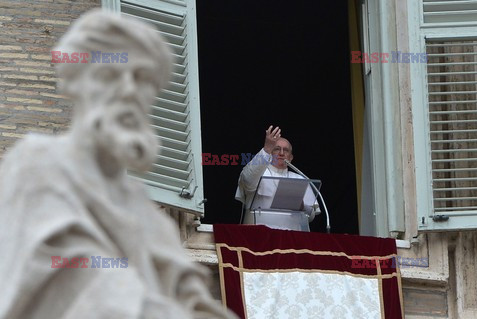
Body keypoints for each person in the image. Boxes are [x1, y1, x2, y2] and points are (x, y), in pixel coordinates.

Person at [0, 10, 236, 319]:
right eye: (110, 73)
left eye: (140, 77)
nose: (128, 90)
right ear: (76, 82)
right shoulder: (37, 163)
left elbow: (193, 300)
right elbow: (73, 274)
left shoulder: (148, 215)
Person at [235, 126, 321, 230]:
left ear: (291, 157)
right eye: (276, 149)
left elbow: (311, 216)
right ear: (270, 153)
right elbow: (247, 181)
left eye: (286, 150)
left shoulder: (300, 179)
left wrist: (302, 206)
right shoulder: (258, 172)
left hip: (292, 240)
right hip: (258, 238)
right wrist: (266, 149)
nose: (281, 153)